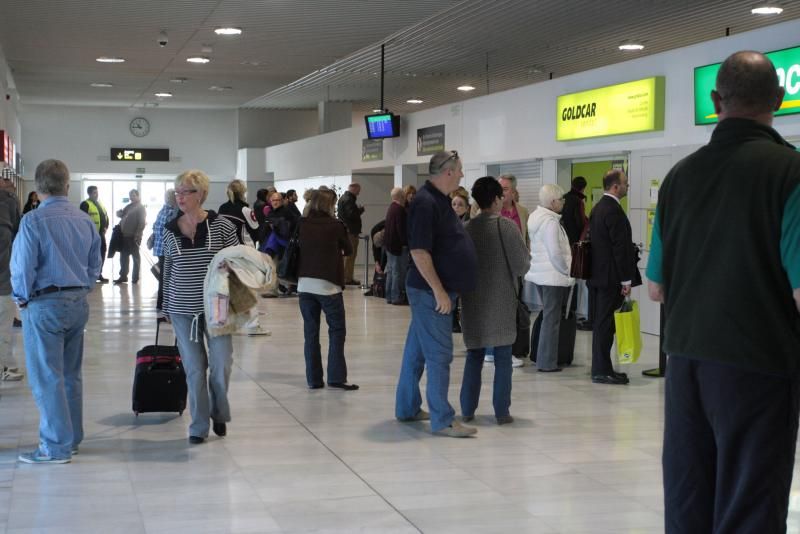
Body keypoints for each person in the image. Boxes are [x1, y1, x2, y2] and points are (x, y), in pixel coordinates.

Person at [648, 50, 800, 534]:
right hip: (759, 365)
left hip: (685, 365)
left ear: (715, 101)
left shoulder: (678, 178)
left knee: (689, 496)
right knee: (750, 502)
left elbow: (656, 286)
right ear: (779, 98)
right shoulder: (790, 173)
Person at [11, 159, 101, 463]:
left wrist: (21, 298)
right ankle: (72, 438)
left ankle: (55, 446)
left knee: (47, 376)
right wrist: (82, 288)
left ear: (37, 187)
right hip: (77, 303)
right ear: (67, 184)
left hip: (45, 303)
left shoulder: (33, 221)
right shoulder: (84, 219)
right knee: (70, 375)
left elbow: (23, 266)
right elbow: (95, 266)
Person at [395, 150, 478, 438]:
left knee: (415, 355)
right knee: (440, 355)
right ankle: (443, 419)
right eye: (460, 170)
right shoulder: (425, 203)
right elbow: (419, 251)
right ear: (448, 172)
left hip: (431, 291)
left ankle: (406, 408)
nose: (462, 174)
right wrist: (439, 291)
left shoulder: (439, 200)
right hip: (429, 293)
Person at [161, 170, 239, 444]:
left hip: (218, 307)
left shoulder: (222, 226)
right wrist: (165, 306)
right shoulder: (169, 229)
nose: (180, 197)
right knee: (195, 369)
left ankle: (218, 411)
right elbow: (168, 268)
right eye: (177, 192)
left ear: (202, 195)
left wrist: (230, 269)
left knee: (221, 365)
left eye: (186, 192)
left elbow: (238, 261)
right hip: (182, 309)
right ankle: (197, 426)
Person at [459, 177, 529, 425]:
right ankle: (501, 412)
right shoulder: (507, 227)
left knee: (474, 356)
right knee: (502, 357)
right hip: (501, 301)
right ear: (498, 199)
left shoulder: (466, 229)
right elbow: (522, 265)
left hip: (472, 302)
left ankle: (467, 410)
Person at [296, 188, 358, 391]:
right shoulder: (335, 225)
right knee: (337, 331)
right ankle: (336, 377)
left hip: (305, 285)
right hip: (328, 286)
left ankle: (314, 380)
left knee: (311, 333)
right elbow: (348, 249)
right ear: (329, 205)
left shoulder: (302, 224)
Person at [588, 169, 638, 385]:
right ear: (615, 186)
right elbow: (621, 249)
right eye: (626, 183)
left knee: (602, 324)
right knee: (606, 325)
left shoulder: (598, 208)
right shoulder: (614, 211)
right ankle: (601, 370)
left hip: (599, 276)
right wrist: (626, 280)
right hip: (611, 278)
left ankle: (602, 367)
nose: (628, 186)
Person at [525, 184, 574, 373]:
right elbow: (555, 252)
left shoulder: (536, 218)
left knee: (547, 317)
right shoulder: (550, 222)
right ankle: (547, 362)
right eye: (561, 199)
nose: (563, 203)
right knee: (551, 320)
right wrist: (567, 270)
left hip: (542, 274)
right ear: (553, 202)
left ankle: (543, 357)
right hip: (553, 276)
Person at [0, 179, 23, 381]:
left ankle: (6, 366)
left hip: (4, 284)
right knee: (3, 329)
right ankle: (5, 366)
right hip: (3, 285)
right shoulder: (9, 211)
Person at [152, 189, 178, 315]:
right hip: (165, 248)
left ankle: (160, 303)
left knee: (163, 276)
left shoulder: (162, 210)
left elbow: (155, 227)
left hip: (159, 248)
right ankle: (162, 304)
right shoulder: (171, 212)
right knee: (165, 277)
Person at [114, 189, 146, 284]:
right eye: (130, 195)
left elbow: (142, 223)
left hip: (134, 237)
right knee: (123, 257)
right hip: (124, 236)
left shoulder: (141, 208)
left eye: (133, 195)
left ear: (138, 196)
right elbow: (122, 215)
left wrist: (137, 234)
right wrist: (118, 213)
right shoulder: (128, 206)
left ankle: (135, 278)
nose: (131, 197)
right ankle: (123, 276)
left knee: (135, 258)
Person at [79, 186, 110, 283]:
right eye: (94, 193)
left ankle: (98, 274)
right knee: (91, 255)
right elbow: (82, 220)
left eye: (97, 192)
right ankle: (88, 275)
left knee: (102, 253)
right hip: (90, 235)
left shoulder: (99, 204)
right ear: (89, 194)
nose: (97, 195)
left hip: (100, 234)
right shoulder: (85, 204)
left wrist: (106, 227)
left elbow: (105, 216)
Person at [383, 187, 408, 305]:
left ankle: (389, 296)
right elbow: (401, 229)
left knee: (391, 271)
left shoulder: (391, 208)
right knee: (398, 272)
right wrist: (406, 242)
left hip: (389, 244)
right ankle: (396, 296)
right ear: (401, 197)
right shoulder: (400, 210)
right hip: (398, 246)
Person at [337, 183, 364, 286]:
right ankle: (347, 278)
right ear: (354, 189)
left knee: (348, 256)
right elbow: (351, 215)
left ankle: (346, 277)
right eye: (358, 190)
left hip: (346, 230)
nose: (359, 192)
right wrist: (360, 210)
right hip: (351, 231)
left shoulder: (344, 198)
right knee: (350, 255)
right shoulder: (349, 199)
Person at [218, 179, 258, 245]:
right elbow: (256, 232)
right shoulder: (245, 210)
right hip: (243, 250)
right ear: (243, 193)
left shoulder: (222, 208)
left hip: (225, 248)